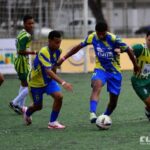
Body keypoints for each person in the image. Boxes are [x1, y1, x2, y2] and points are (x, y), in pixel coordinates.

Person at [57, 21, 140, 123]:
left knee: (113, 102)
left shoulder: (114, 39)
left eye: (103, 33)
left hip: (115, 72)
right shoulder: (92, 37)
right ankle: (92, 113)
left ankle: (103, 117)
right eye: (98, 33)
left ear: (106, 31)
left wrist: (135, 65)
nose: (100, 36)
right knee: (97, 85)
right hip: (101, 69)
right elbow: (77, 47)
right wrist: (63, 58)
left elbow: (128, 50)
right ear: (96, 31)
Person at [23, 30, 73, 129]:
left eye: (60, 42)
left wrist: (55, 79)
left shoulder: (58, 51)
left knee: (59, 97)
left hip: (49, 81)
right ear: (49, 41)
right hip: (36, 84)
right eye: (56, 42)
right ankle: (27, 112)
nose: (58, 45)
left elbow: (53, 67)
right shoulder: (43, 52)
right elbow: (48, 71)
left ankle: (52, 122)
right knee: (38, 106)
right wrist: (63, 82)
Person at [9, 15, 36, 114]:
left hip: (18, 61)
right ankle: (14, 102)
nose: (31, 25)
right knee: (30, 85)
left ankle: (20, 107)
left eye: (32, 23)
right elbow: (21, 51)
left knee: (24, 84)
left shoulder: (21, 33)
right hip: (22, 63)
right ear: (24, 24)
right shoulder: (27, 36)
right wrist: (33, 53)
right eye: (29, 23)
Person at [131, 31, 150, 120]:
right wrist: (135, 64)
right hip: (139, 81)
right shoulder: (140, 48)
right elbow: (128, 50)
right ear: (146, 38)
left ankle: (148, 109)